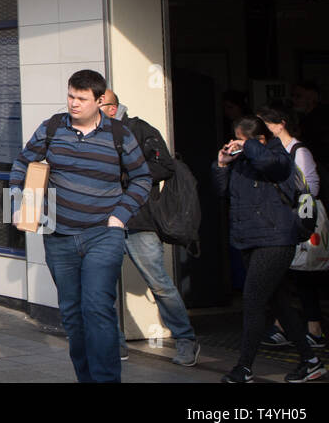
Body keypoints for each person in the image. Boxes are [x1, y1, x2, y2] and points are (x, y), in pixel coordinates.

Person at [11, 69, 151, 383]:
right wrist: (22, 199)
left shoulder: (119, 135)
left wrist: (120, 216)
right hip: (59, 238)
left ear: (100, 101)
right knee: (73, 317)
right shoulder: (52, 128)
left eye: (82, 99)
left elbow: (142, 179)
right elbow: (22, 163)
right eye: (71, 96)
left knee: (97, 309)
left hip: (104, 234)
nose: (74, 104)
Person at [212, 115, 325, 383]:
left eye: (242, 139)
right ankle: (310, 360)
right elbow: (222, 191)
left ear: (261, 140)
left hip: (276, 240)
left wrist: (249, 145)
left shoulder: (279, 157)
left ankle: (244, 368)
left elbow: (267, 163)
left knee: (252, 301)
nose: (237, 144)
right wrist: (221, 164)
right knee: (278, 303)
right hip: (248, 240)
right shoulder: (243, 161)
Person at [99, 89, 199, 367]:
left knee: (160, 284)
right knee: (103, 286)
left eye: (98, 103)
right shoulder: (90, 133)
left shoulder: (139, 129)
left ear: (110, 107)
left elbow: (165, 166)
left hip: (138, 220)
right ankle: (115, 344)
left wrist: (127, 172)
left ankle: (186, 340)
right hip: (104, 223)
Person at [255, 106, 327, 350]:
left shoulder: (298, 150)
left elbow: (310, 187)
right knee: (283, 275)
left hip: (297, 218)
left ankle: (313, 328)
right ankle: (283, 325)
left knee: (303, 274)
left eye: (265, 125)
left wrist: (297, 213)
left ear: (280, 124)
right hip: (280, 220)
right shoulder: (269, 151)